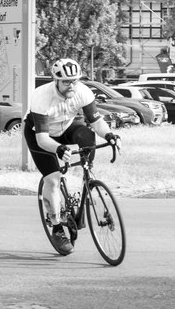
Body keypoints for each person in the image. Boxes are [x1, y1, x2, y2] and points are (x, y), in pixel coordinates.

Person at [24, 58, 120, 255]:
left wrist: (109, 135)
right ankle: (57, 228)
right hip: (40, 135)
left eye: (74, 80)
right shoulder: (41, 96)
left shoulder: (83, 91)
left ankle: (87, 180)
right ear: (56, 80)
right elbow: (43, 139)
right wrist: (58, 149)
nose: (71, 85)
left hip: (66, 126)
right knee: (53, 180)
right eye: (66, 81)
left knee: (86, 135)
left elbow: (96, 122)